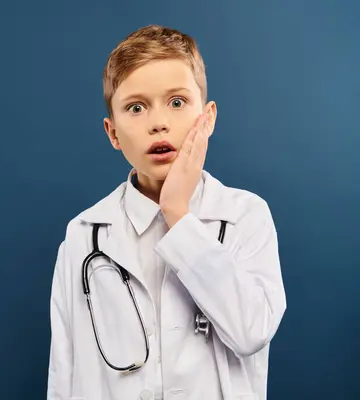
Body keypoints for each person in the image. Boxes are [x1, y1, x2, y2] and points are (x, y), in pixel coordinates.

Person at [46, 24, 287, 400]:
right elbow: (65, 371)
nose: (158, 122)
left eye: (177, 102)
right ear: (112, 133)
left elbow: (250, 332)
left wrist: (178, 214)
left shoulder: (246, 217)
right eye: (136, 107)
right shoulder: (84, 235)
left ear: (207, 118)